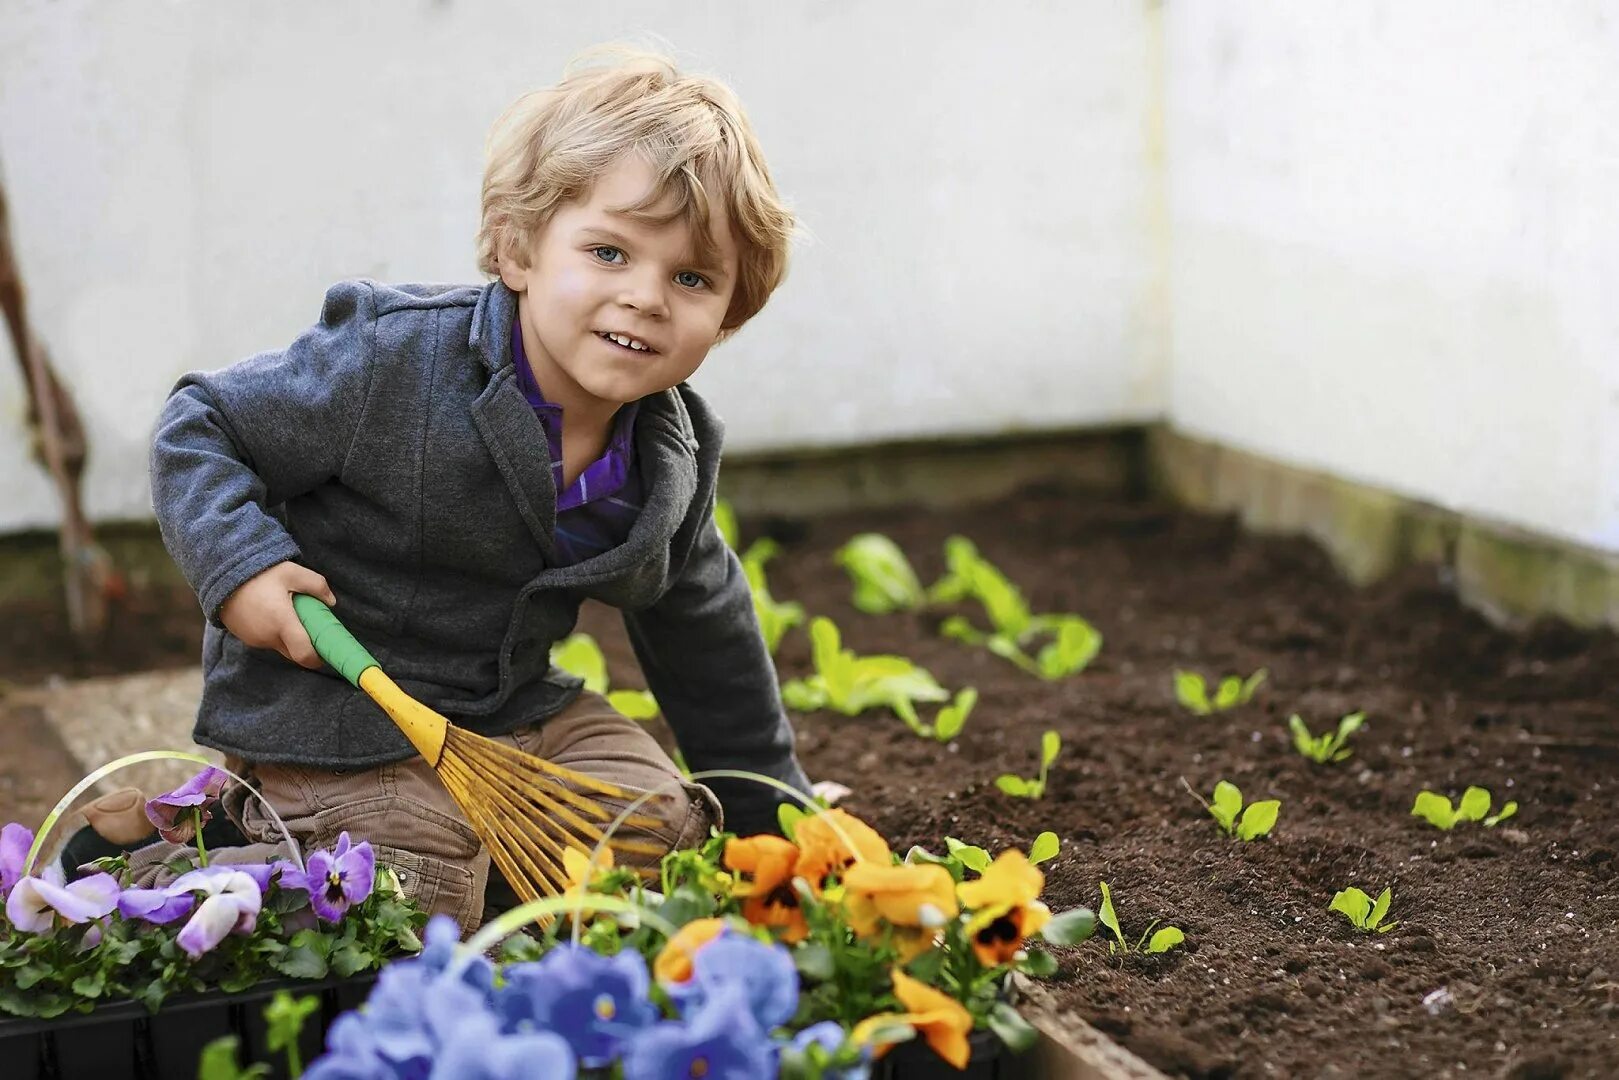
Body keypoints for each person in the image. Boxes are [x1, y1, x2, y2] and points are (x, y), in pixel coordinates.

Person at [110, 45, 813, 933]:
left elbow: (703, 629)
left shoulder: (664, 455)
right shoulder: (391, 361)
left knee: (661, 837)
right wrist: (242, 568)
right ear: (518, 248)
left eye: (691, 277)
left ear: (730, 309)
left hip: (513, 718)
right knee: (409, 873)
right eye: (607, 251)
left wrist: (777, 825)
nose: (645, 297)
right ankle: (216, 842)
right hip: (337, 713)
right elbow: (203, 424)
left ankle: (469, 864)